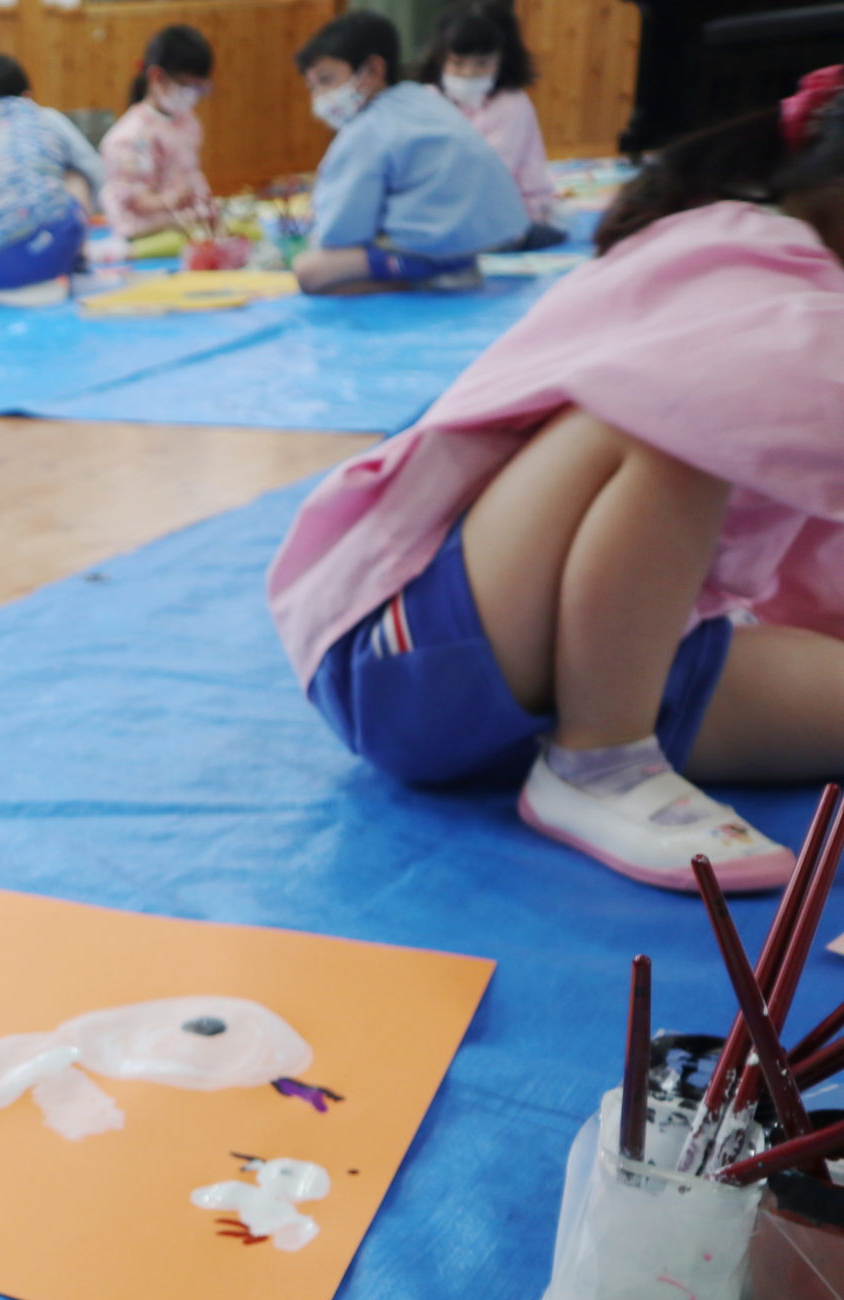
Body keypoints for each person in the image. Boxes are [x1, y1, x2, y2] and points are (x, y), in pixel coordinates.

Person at [267, 70, 844, 893]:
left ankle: (602, 729)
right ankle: (600, 759)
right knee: (671, 418)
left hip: (611, 649)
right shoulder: (756, 267)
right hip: (409, 648)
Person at [289, 12, 530, 293]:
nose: (319, 96)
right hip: (482, 240)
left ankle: (416, 278)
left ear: (373, 70)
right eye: (313, 86)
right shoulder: (422, 98)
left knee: (310, 271)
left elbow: (341, 231)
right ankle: (438, 267)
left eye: (327, 80)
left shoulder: (367, 128)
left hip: (430, 249)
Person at [0, 54, 108, 302]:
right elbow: (94, 170)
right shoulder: (43, 117)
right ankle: (78, 264)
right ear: (27, 96)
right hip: (52, 249)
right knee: (75, 175)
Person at [421, 0, 568, 248]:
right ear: (441, 58)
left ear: (501, 59)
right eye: (458, 63)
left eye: (481, 63)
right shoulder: (430, 98)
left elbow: (488, 177)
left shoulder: (512, 105)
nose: (468, 73)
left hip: (513, 215)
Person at [102, 25, 217, 241]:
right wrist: (168, 201)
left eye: (199, 88)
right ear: (157, 77)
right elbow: (130, 199)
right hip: (145, 232)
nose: (192, 95)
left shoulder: (188, 122)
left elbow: (190, 175)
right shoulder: (128, 137)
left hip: (182, 224)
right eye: (186, 86)